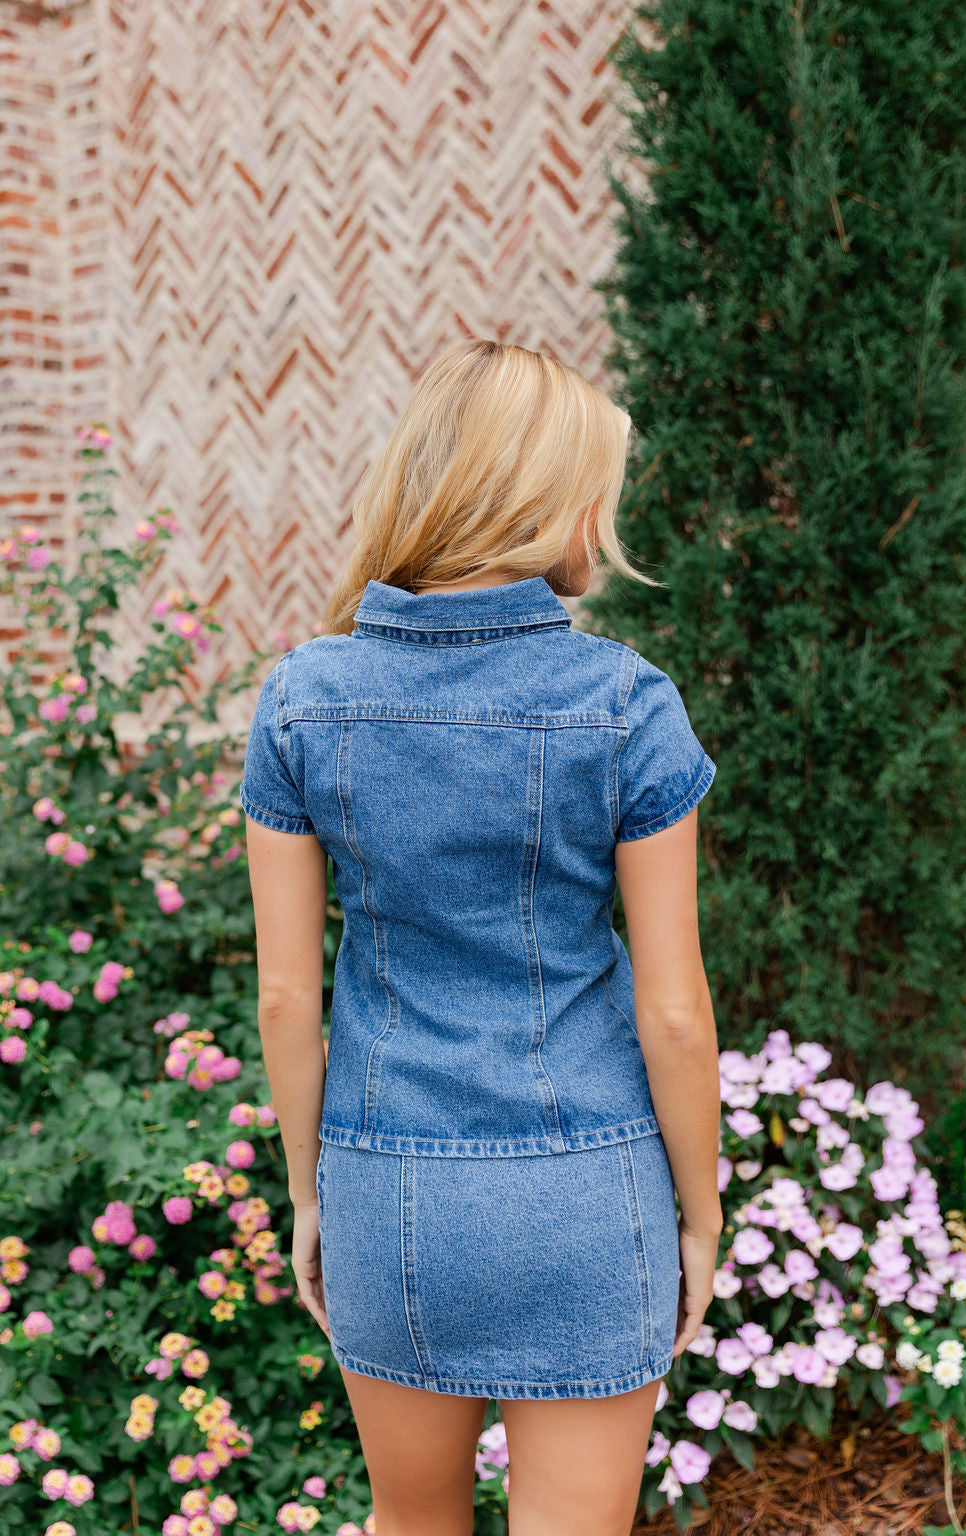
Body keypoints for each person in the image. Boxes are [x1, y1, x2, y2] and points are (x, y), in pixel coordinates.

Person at [239, 338, 723, 1536]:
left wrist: (311, 1193)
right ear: (552, 500)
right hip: (583, 1188)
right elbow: (672, 1011)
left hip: (385, 1186)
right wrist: (703, 1214)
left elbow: (287, 1000)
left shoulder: (304, 696)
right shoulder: (624, 702)